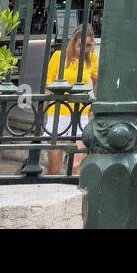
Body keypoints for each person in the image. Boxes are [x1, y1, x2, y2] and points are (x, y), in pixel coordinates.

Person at [45, 23, 98, 178]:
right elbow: (49, 83)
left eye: (89, 45)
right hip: (59, 110)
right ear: (74, 42)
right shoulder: (58, 57)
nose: (85, 49)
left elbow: (96, 81)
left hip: (81, 111)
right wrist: (44, 107)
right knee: (55, 165)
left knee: (77, 161)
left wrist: (93, 104)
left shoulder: (92, 59)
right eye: (82, 45)